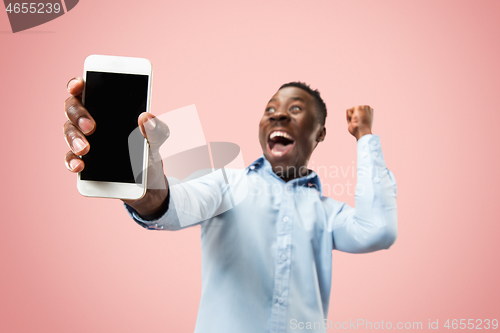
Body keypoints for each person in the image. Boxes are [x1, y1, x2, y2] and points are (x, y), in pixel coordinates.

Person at [63, 78, 397, 333]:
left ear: (320, 134)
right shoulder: (225, 185)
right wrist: (144, 185)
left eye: (295, 108)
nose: (278, 113)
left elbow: (377, 230)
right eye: (269, 110)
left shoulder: (328, 214)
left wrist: (365, 137)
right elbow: (167, 205)